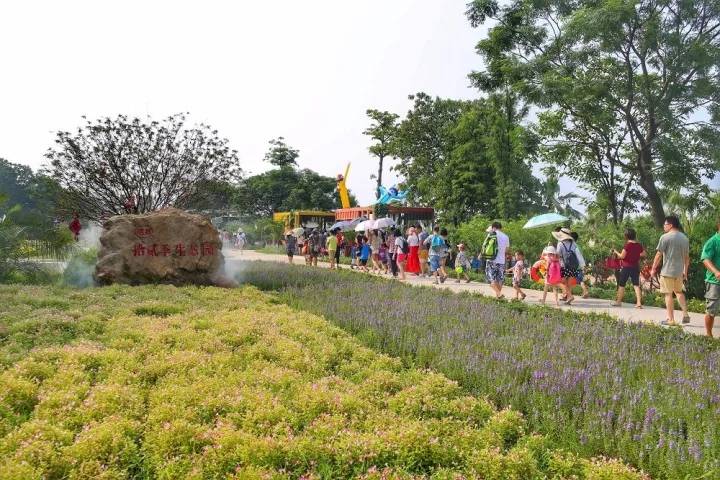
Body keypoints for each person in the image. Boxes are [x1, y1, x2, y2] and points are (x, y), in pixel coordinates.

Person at [650, 215, 691, 326]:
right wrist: (685, 272)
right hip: (679, 272)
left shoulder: (665, 237)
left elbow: (658, 254)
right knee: (679, 292)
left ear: (670, 225)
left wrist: (653, 269)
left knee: (668, 294)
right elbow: (687, 258)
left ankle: (671, 320)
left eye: (665, 224)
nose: (664, 226)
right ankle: (685, 314)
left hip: (667, 271)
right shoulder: (685, 238)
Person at [612, 228, 646, 308]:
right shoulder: (638, 245)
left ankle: (618, 302)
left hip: (626, 267)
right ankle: (639, 303)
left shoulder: (627, 245)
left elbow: (622, 256)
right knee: (636, 285)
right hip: (635, 267)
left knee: (622, 284)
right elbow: (644, 254)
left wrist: (616, 252)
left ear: (626, 236)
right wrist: (636, 254)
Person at [553, 227, 584, 305]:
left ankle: (569, 296)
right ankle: (568, 298)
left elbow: (558, 255)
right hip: (574, 266)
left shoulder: (560, 243)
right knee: (568, 283)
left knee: (562, 282)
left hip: (564, 265)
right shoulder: (573, 243)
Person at [701, 219, 720, 337]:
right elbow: (705, 259)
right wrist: (716, 272)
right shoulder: (712, 242)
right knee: (712, 310)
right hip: (714, 281)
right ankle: (709, 335)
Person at [485, 222, 509, 299]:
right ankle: (497, 297)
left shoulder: (491, 234)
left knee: (490, 279)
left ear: (493, 227)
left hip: (491, 260)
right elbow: (506, 250)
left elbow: (485, 246)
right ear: (500, 228)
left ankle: (498, 293)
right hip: (501, 261)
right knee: (499, 280)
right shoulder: (506, 237)